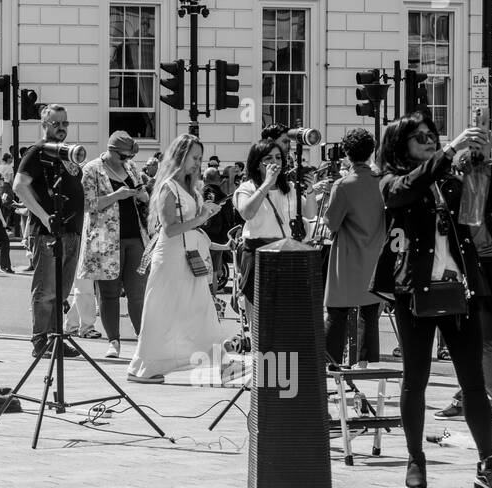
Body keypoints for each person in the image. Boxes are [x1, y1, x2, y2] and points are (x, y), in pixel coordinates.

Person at [371, 113, 492, 488]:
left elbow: (482, 208)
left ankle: (489, 465)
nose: (430, 141)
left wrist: (483, 161)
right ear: (401, 145)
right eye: (420, 137)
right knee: (414, 379)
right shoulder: (390, 179)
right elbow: (403, 191)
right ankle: (416, 460)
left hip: (458, 289)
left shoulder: (450, 176)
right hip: (414, 291)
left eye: (432, 136)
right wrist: (449, 152)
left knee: (473, 382)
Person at [128, 134, 229, 382]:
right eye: (194, 158)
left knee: (202, 306)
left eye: (200, 158)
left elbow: (187, 224)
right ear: (181, 157)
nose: (198, 163)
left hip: (188, 254)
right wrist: (202, 218)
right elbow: (170, 228)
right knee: (161, 311)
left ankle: (221, 361)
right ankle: (143, 367)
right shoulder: (168, 187)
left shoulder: (189, 186)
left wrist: (205, 211)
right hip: (172, 256)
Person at [435, 179, 492, 421]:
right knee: (490, 342)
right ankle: (486, 400)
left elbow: (455, 244)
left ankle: (485, 399)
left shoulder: (464, 203)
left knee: (469, 342)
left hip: (471, 274)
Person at [14, 104, 84, 358]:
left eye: (65, 123)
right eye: (56, 124)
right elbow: (19, 186)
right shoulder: (37, 152)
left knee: (62, 291)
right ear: (44, 125)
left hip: (72, 231)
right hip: (48, 233)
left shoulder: (66, 154)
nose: (62, 128)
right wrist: (44, 217)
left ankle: (56, 337)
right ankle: (40, 340)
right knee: (45, 290)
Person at [76, 132, 150, 358]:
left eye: (129, 156)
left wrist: (142, 195)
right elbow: (87, 204)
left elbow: (143, 193)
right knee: (109, 292)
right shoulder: (91, 169)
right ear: (110, 150)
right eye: (123, 156)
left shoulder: (131, 167)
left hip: (135, 236)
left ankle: (143, 341)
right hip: (104, 240)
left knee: (138, 292)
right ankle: (113, 342)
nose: (126, 160)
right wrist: (117, 195)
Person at [320, 128, 385, 372]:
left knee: (336, 311)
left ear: (347, 153)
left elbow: (331, 223)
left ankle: (331, 362)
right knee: (369, 311)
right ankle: (366, 362)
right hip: (374, 252)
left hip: (348, 254)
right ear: (371, 152)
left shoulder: (344, 184)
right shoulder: (380, 181)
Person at [233, 139, 317, 312]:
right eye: (269, 158)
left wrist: (310, 190)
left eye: (278, 158)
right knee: (259, 317)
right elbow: (246, 213)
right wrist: (267, 184)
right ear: (257, 164)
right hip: (259, 254)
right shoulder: (247, 188)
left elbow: (310, 213)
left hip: (287, 254)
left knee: (285, 317)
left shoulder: (290, 188)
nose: (275, 163)